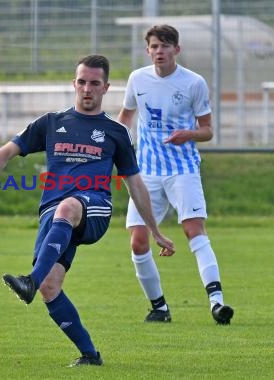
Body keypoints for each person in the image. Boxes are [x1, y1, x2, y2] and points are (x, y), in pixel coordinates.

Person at [0, 55, 175, 367]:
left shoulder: (116, 132)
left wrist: (155, 230)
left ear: (106, 88)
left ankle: (29, 280)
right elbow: (6, 151)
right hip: (54, 215)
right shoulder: (52, 123)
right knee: (50, 286)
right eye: (82, 82)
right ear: (74, 83)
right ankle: (90, 355)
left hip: (93, 208)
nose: (87, 88)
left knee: (69, 206)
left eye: (94, 83)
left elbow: (135, 185)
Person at [117, 24, 234, 325]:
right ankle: (159, 308)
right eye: (155, 47)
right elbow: (126, 118)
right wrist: (115, 149)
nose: (160, 52)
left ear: (176, 50)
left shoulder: (193, 83)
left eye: (165, 46)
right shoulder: (137, 79)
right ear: (148, 51)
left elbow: (207, 130)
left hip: (182, 169)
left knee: (194, 229)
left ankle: (217, 303)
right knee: (138, 242)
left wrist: (189, 134)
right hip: (146, 173)